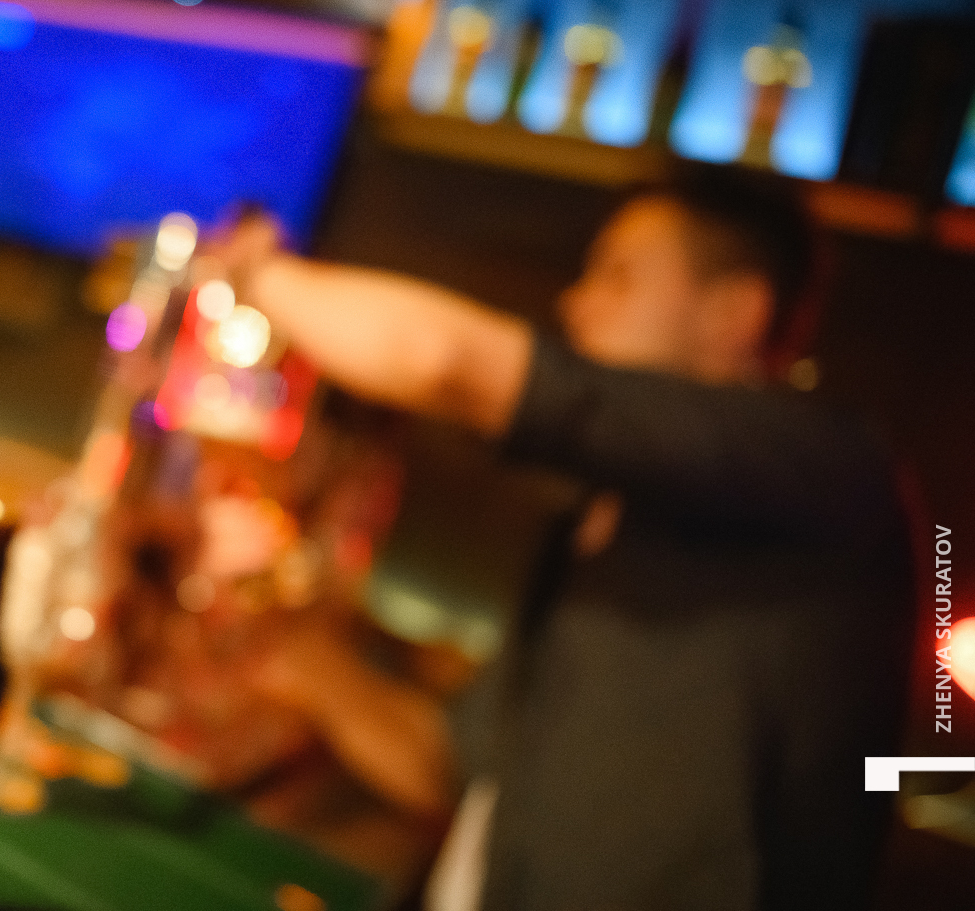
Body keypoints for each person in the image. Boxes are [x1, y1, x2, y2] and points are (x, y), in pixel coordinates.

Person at [217, 167, 914, 911]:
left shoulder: (832, 472)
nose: (576, 302)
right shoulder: (600, 520)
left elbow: (443, 361)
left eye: (618, 276)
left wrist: (254, 270)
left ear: (731, 314)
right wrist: (290, 646)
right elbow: (447, 765)